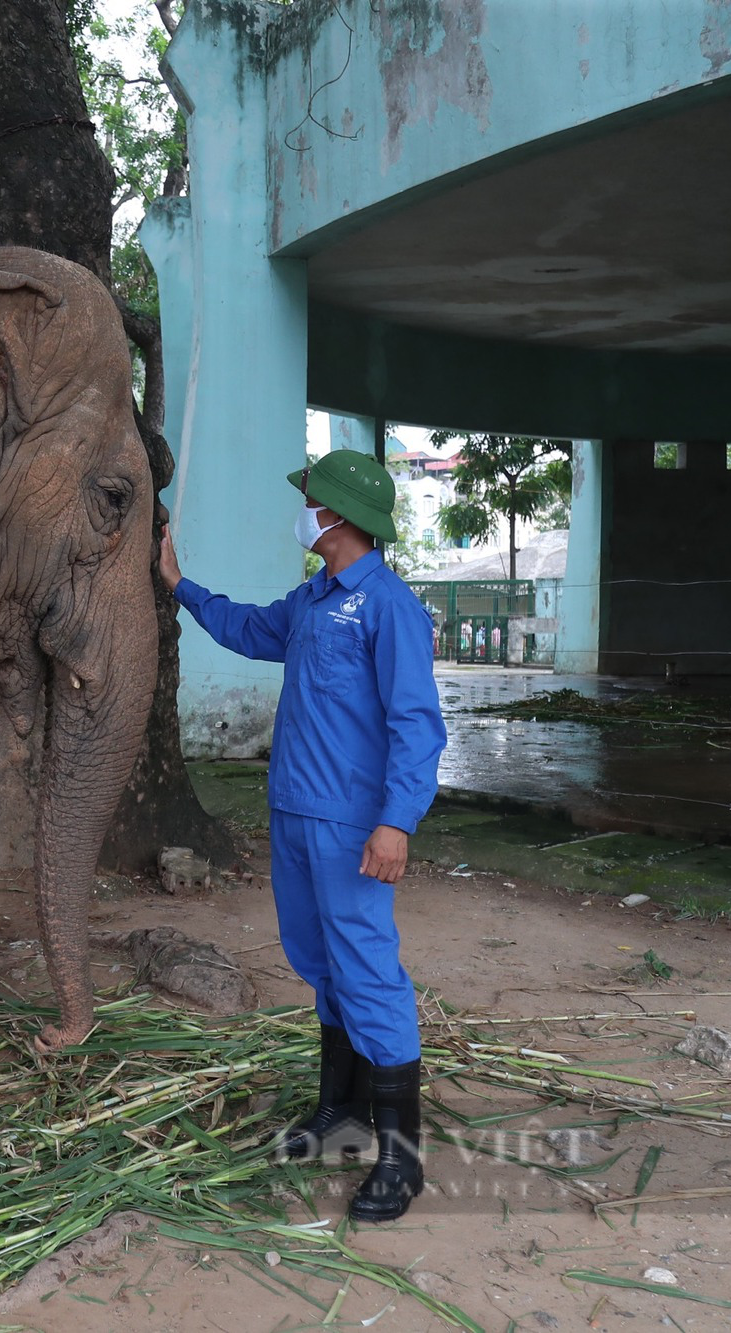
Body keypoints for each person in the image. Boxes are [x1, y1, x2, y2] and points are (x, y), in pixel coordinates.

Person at [157, 452, 447, 1222]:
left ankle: (402, 1161)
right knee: (320, 963)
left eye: (313, 499)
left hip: (354, 824)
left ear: (342, 517)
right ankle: (341, 1115)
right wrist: (180, 586)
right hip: (295, 811)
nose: (305, 508)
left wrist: (396, 821)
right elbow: (251, 629)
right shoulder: (314, 598)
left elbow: (418, 724)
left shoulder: (388, 606)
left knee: (369, 972)